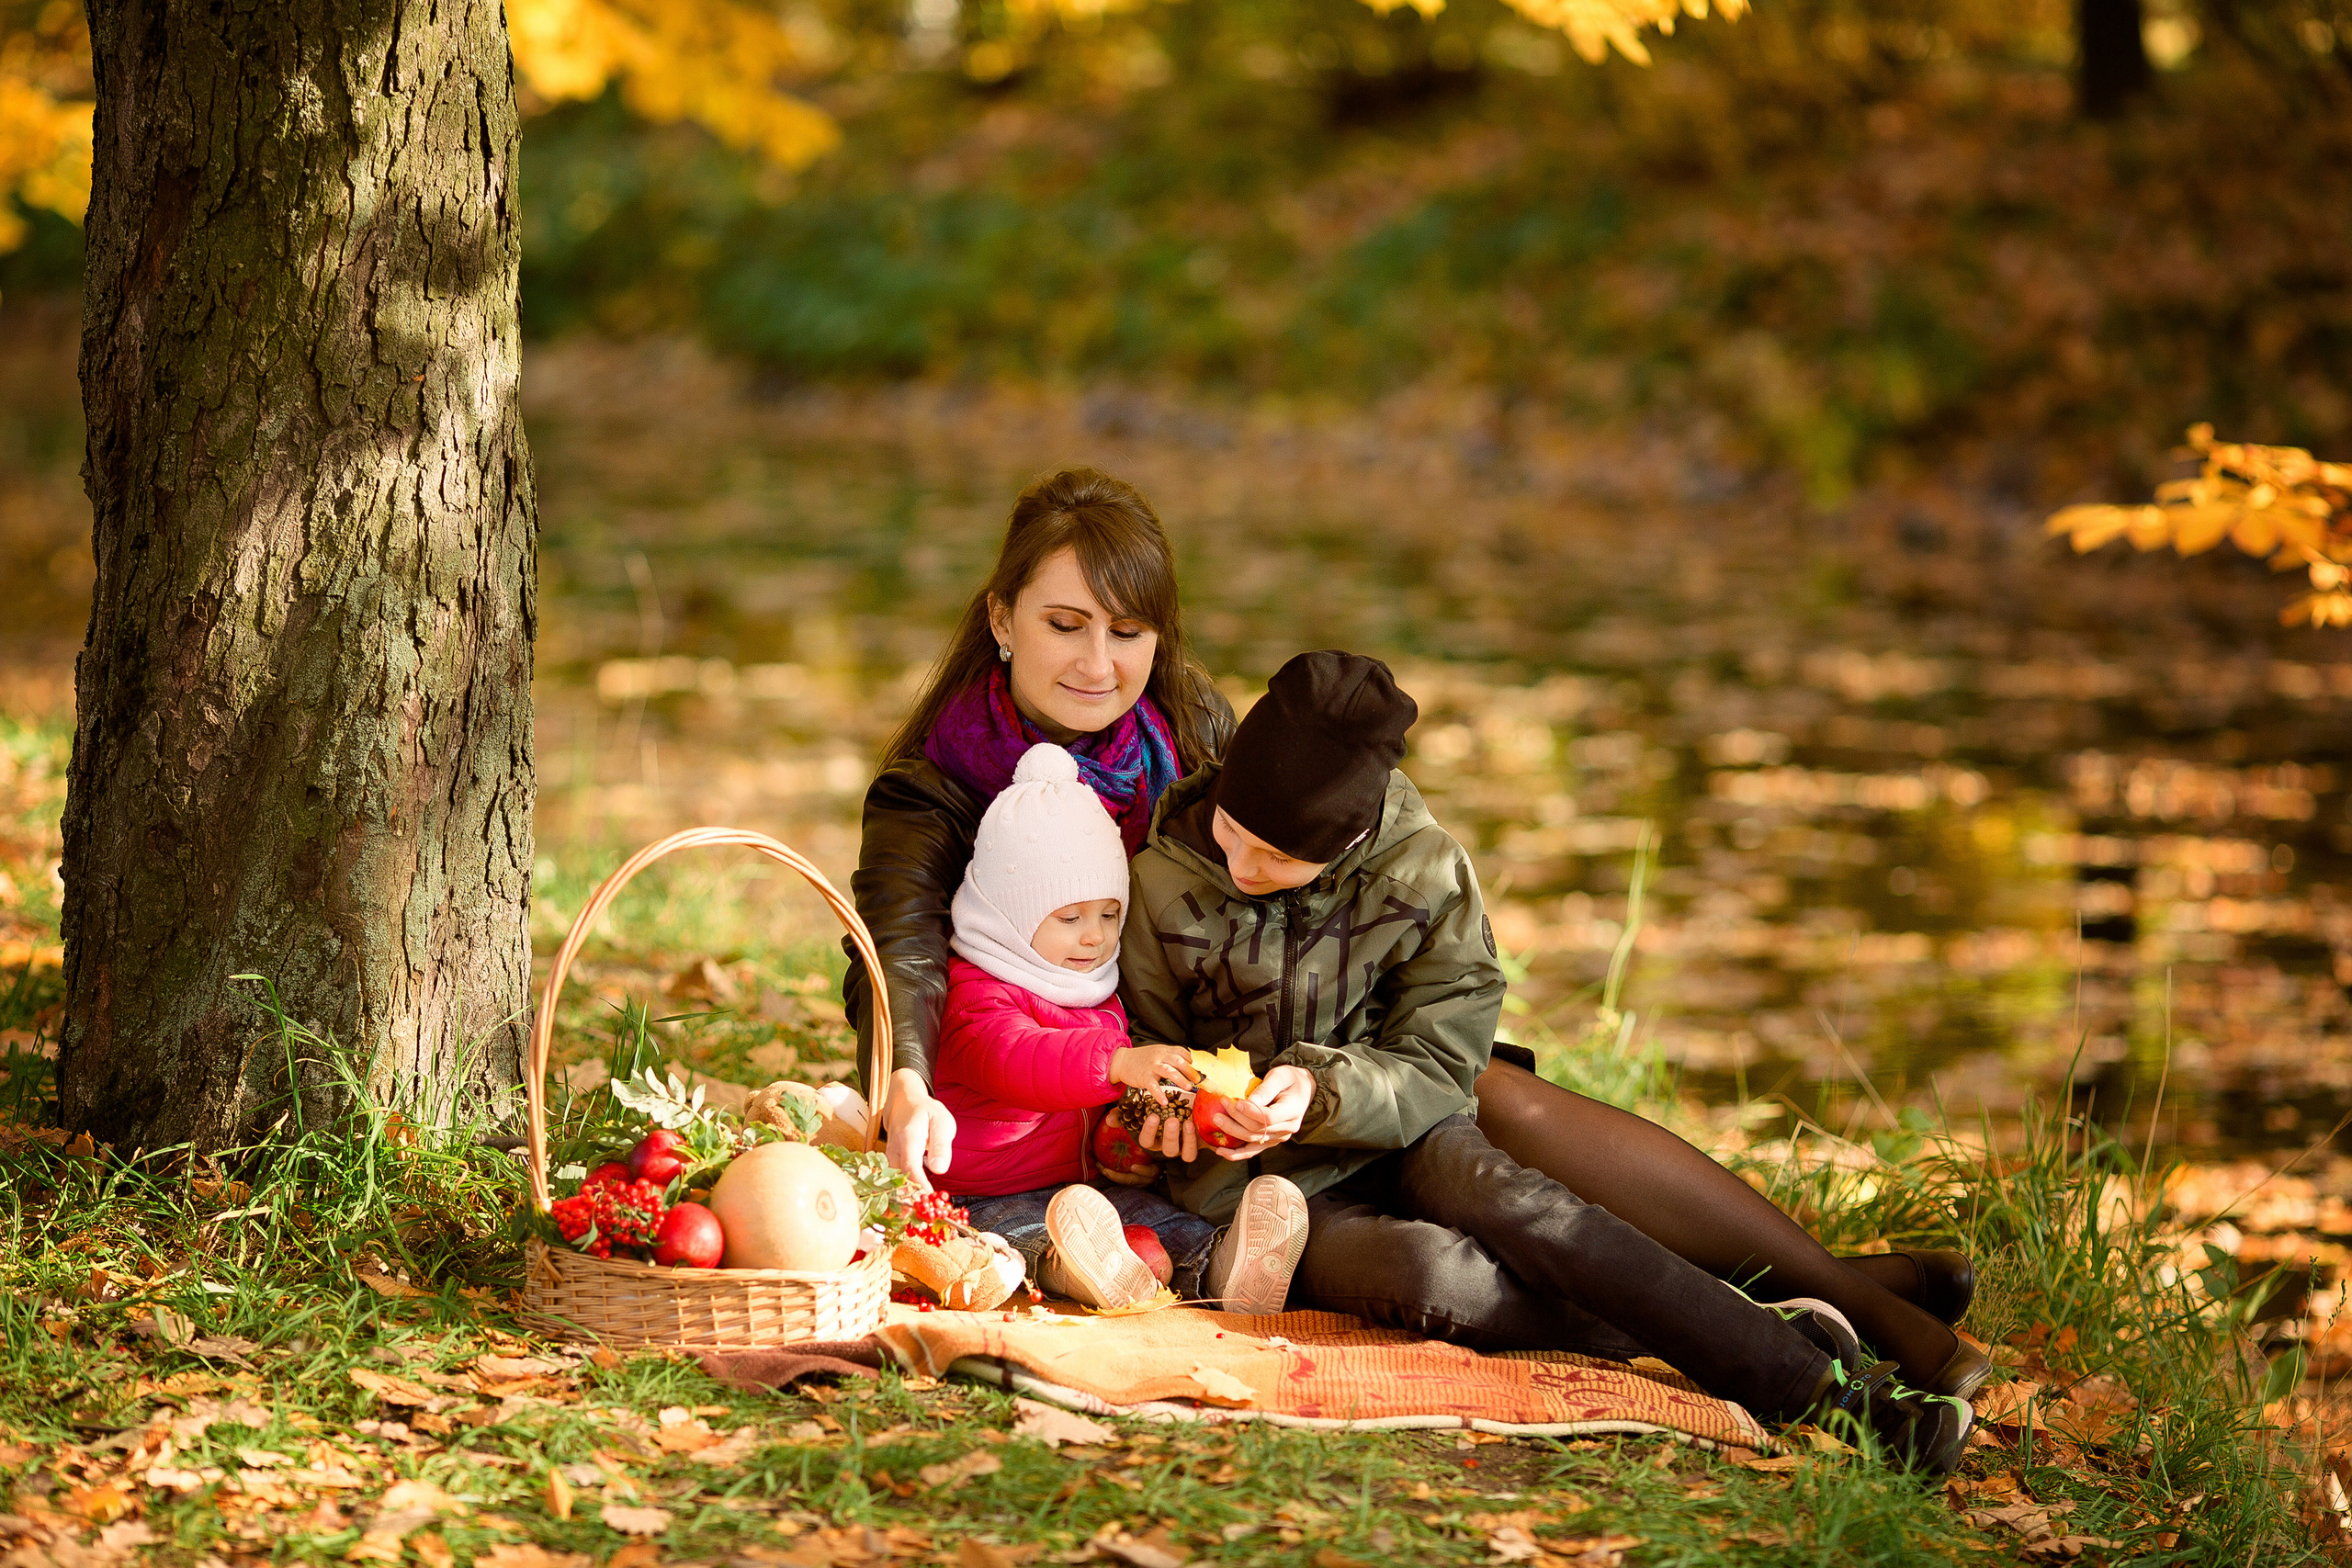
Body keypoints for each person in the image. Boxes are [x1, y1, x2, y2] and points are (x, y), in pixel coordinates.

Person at [841, 467, 1979, 1402]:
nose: (1096, 661)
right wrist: (904, 1071)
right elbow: (901, 957)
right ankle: (1778, 1309)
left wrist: (1329, 1055)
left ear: (1160, 638)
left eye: (1125, 630)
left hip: (1280, 1044)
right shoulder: (937, 785)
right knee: (1430, 1184)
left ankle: (1859, 1300)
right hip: (1098, 1079)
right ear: (1000, 619)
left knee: (1490, 1095)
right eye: (1063, 624)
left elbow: (1333, 873)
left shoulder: (1192, 731)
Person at [1119, 651, 1981, 1472]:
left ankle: (1840, 1401)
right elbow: (1144, 1061)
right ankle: (1759, 1326)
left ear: (1347, 842)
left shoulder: (1426, 872)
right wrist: (1175, 1116)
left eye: (1277, 858)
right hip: (1270, 1193)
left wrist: (1323, 1086)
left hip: (1408, 1128)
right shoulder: (1161, 881)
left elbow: (1440, 1054)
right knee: (1432, 1277)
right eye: (1233, 831)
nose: (1240, 863)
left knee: (1522, 1206)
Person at [930, 740, 1308, 1311]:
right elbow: (1010, 1056)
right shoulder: (974, 989)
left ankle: (1226, 1266)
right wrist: (1114, 1063)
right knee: (1026, 1239)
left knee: (1159, 1223)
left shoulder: (1092, 985)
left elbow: (1093, 1099)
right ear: (1008, 914)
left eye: (1109, 914)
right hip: (985, 1190)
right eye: (1069, 917)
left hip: (1091, 1191)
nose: (1095, 936)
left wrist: (1136, 1124)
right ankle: (1076, 1274)